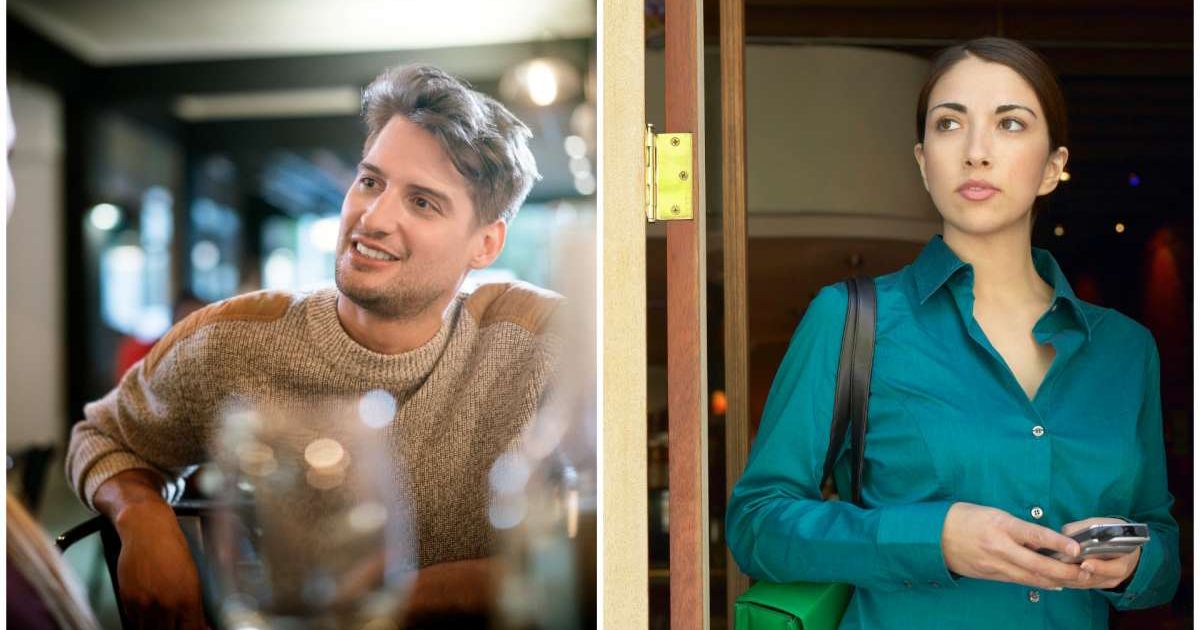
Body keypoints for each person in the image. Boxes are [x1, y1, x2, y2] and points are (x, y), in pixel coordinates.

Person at [65, 63, 561, 628]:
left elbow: (600, 545)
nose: (372, 218)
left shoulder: (536, 344)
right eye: (371, 181)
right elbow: (103, 436)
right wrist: (140, 514)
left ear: (486, 242)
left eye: (423, 202)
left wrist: (411, 596)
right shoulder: (237, 339)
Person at [727, 37, 1179, 628]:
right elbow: (757, 525)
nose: (976, 152)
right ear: (923, 161)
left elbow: (1162, 547)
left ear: (1053, 168)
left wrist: (1130, 565)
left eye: (1010, 124)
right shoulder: (850, 319)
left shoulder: (1126, 350)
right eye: (949, 124)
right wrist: (932, 538)